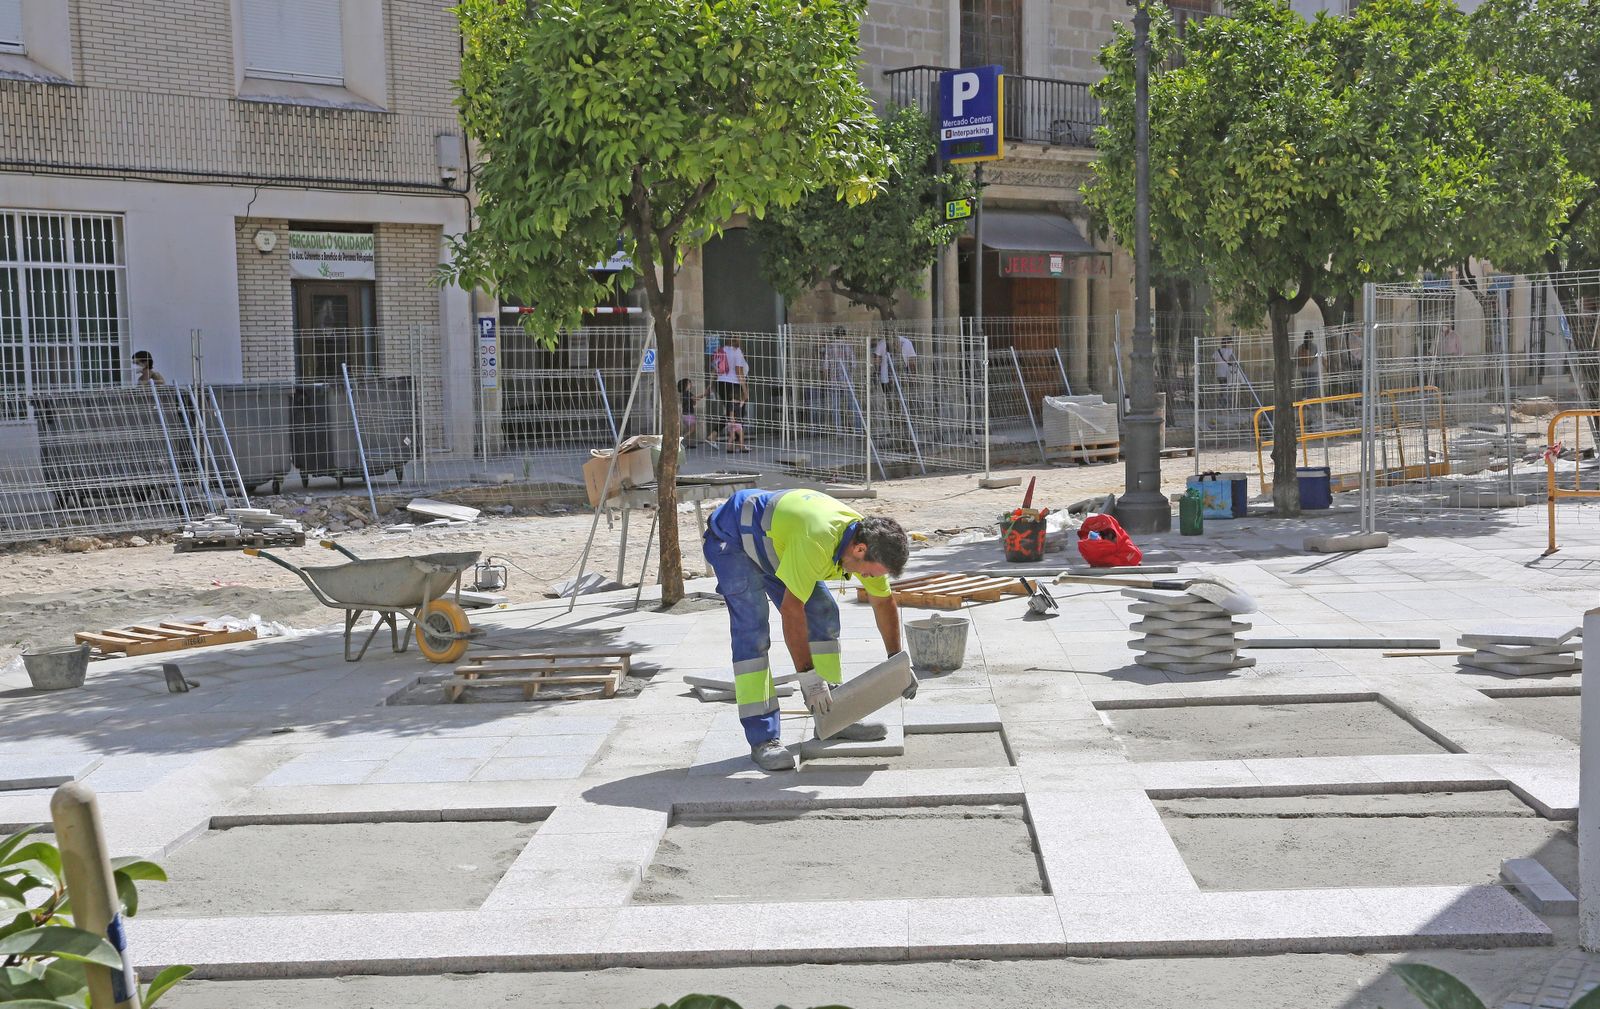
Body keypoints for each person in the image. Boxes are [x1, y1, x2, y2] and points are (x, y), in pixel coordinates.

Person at [702, 489, 914, 771]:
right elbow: (792, 611)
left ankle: (831, 716)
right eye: (871, 573)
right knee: (752, 633)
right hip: (734, 540)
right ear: (859, 550)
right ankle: (763, 738)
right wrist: (808, 678)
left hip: (776, 543)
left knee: (823, 612)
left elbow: (883, 601)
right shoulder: (818, 540)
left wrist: (896, 662)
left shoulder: (866, 538)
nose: (870, 579)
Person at [679, 378, 707, 446]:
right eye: (689, 383)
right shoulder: (688, 393)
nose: (691, 384)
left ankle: (688, 444)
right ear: (685, 385)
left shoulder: (684, 393)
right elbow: (695, 399)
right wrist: (704, 394)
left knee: (689, 429)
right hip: (689, 414)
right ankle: (681, 439)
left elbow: (693, 402)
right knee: (692, 429)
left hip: (685, 414)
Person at [1296, 331, 1320, 398]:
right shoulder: (1312, 347)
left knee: (1308, 385)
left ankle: (1305, 399)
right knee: (1312, 385)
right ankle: (1305, 399)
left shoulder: (1301, 347)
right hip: (1311, 370)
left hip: (1305, 370)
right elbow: (1308, 361)